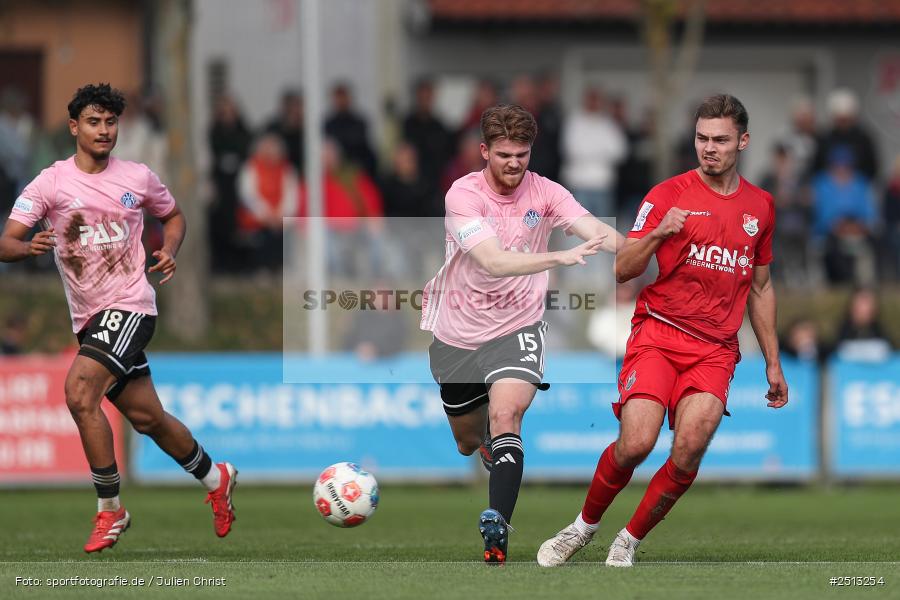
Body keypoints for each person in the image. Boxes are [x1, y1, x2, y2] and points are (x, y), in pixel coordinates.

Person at [537, 94, 788, 568]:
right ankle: (581, 529)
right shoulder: (668, 194)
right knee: (637, 443)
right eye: (701, 138)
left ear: (743, 142)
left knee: (690, 446)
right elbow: (623, 270)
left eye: (720, 140)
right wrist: (656, 234)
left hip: (715, 349)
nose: (708, 148)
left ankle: (628, 539)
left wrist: (773, 362)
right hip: (659, 333)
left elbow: (761, 286)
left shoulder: (762, 206)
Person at [0, 83, 237, 553]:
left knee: (79, 391)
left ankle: (110, 510)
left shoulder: (138, 177)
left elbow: (173, 217)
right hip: (90, 319)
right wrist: (29, 248)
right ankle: (216, 477)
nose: (104, 130)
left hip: (131, 307)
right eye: (94, 121)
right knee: (148, 418)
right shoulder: (50, 182)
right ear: (74, 127)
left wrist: (168, 249)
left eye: (110, 122)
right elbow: (6, 241)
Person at [420, 104, 623, 564]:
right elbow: (492, 260)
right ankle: (490, 447)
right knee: (468, 440)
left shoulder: (546, 192)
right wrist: (560, 259)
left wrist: (646, 247)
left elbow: (592, 228)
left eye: (522, 154)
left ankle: (497, 524)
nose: (514, 163)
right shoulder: (462, 196)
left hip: (518, 325)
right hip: (458, 332)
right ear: (484, 152)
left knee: (507, 413)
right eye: (505, 154)